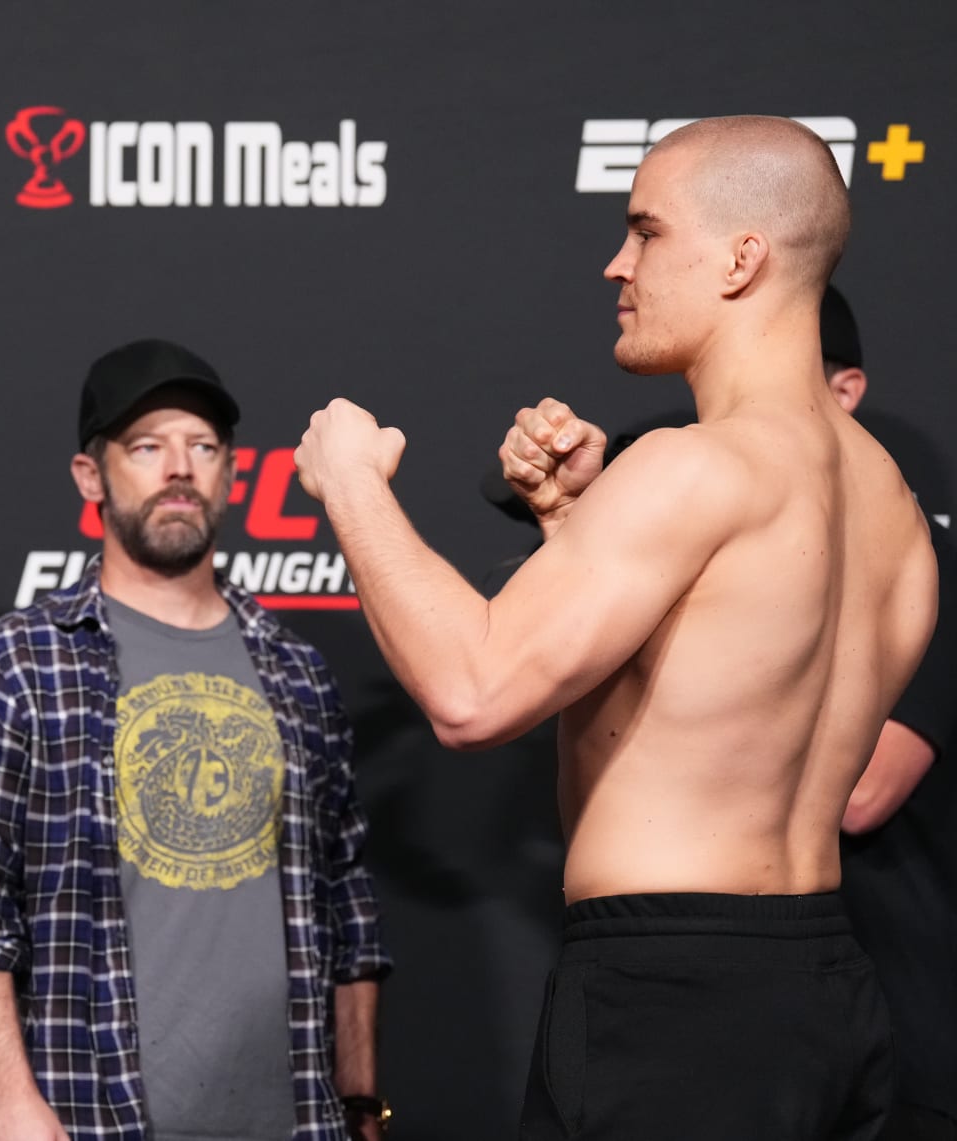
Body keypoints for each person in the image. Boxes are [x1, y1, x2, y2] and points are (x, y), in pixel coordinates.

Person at [293, 115, 938, 1139]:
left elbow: (472, 692)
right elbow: (715, 677)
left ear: (742, 259)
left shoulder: (692, 469)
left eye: (645, 231)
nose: (615, 264)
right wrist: (567, 524)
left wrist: (353, 487)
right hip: (824, 990)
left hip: (670, 1001)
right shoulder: (895, 511)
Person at [0, 339, 390, 1141]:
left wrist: (360, 1101)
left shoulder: (299, 673)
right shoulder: (10, 662)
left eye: (202, 447)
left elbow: (346, 900)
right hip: (83, 1120)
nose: (179, 468)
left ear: (231, 473)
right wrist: (8, 1101)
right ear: (90, 475)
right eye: (147, 446)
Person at [822, 288, 957, 1141]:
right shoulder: (733, 562)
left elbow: (861, 793)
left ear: (848, 391)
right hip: (764, 1032)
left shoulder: (926, 564)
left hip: (903, 1030)